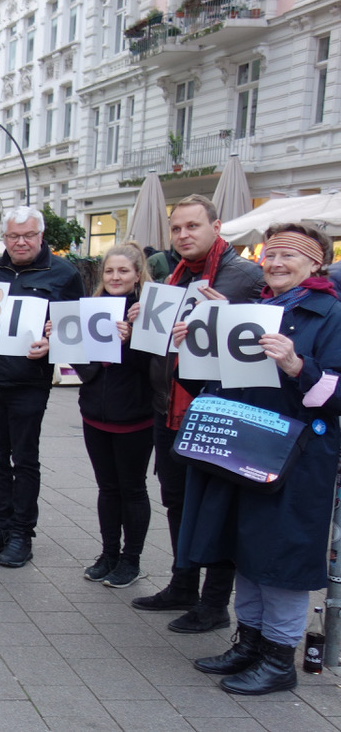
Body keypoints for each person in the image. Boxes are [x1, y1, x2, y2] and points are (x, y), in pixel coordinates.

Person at [176, 223, 341, 695]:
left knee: (281, 556)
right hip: (244, 448)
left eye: (291, 255)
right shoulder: (257, 310)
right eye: (271, 254)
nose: (277, 262)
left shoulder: (330, 313)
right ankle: (248, 643)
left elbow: (336, 393)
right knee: (244, 547)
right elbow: (215, 383)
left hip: (298, 457)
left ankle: (278, 658)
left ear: (317, 263)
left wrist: (297, 366)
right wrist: (194, 349)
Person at [131, 194, 264, 633]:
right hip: (169, 407)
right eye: (177, 228)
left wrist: (221, 317)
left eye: (193, 226)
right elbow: (163, 343)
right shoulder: (173, 277)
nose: (184, 235)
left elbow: (251, 342)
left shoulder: (243, 276)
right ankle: (183, 584)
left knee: (216, 509)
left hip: (214, 411)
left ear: (216, 226)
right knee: (177, 502)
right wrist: (139, 322)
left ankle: (213, 604)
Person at [0, 206, 84, 567]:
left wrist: (53, 345)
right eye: (13, 236)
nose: (20, 242)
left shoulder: (64, 275)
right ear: (5, 238)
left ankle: (22, 533)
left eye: (27, 235)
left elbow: (76, 332)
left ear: (41, 237)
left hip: (29, 383)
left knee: (24, 461)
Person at [75, 244, 154, 589]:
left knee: (132, 489)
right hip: (95, 413)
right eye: (109, 271)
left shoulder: (149, 311)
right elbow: (82, 367)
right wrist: (66, 341)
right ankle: (108, 553)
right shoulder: (90, 309)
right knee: (107, 488)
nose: (115, 277)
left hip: (136, 416)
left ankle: (130, 559)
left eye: (123, 271)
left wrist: (132, 340)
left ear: (138, 274)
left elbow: (154, 370)